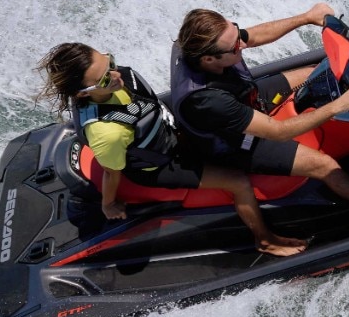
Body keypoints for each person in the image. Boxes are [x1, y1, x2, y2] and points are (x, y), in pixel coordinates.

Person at [35, 43, 306, 257]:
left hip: (173, 131)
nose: (116, 76)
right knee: (238, 182)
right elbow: (112, 171)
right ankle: (266, 240)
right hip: (161, 164)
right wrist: (109, 204)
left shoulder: (122, 77)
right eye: (105, 80)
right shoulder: (106, 132)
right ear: (84, 93)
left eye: (111, 64)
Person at [170, 4, 349, 205]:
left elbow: (253, 36)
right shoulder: (207, 100)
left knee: (316, 73)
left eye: (236, 32)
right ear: (209, 59)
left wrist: (307, 17)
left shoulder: (198, 40)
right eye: (235, 46)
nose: (242, 44)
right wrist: (338, 106)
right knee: (325, 166)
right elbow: (278, 131)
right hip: (236, 143)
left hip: (246, 96)